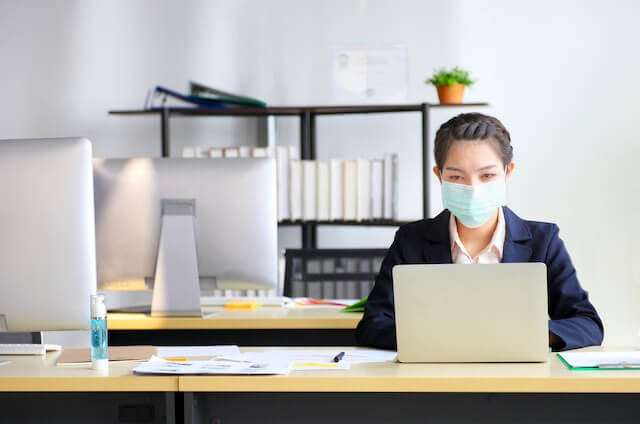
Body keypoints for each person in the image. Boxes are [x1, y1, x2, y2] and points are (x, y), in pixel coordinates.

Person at [356, 113, 603, 352]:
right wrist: (448, 337)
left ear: (508, 172)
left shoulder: (543, 240)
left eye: (487, 175)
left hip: (518, 384)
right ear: (439, 176)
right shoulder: (411, 240)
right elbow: (373, 324)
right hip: (433, 381)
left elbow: (587, 324)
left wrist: (526, 334)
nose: (473, 187)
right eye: (456, 176)